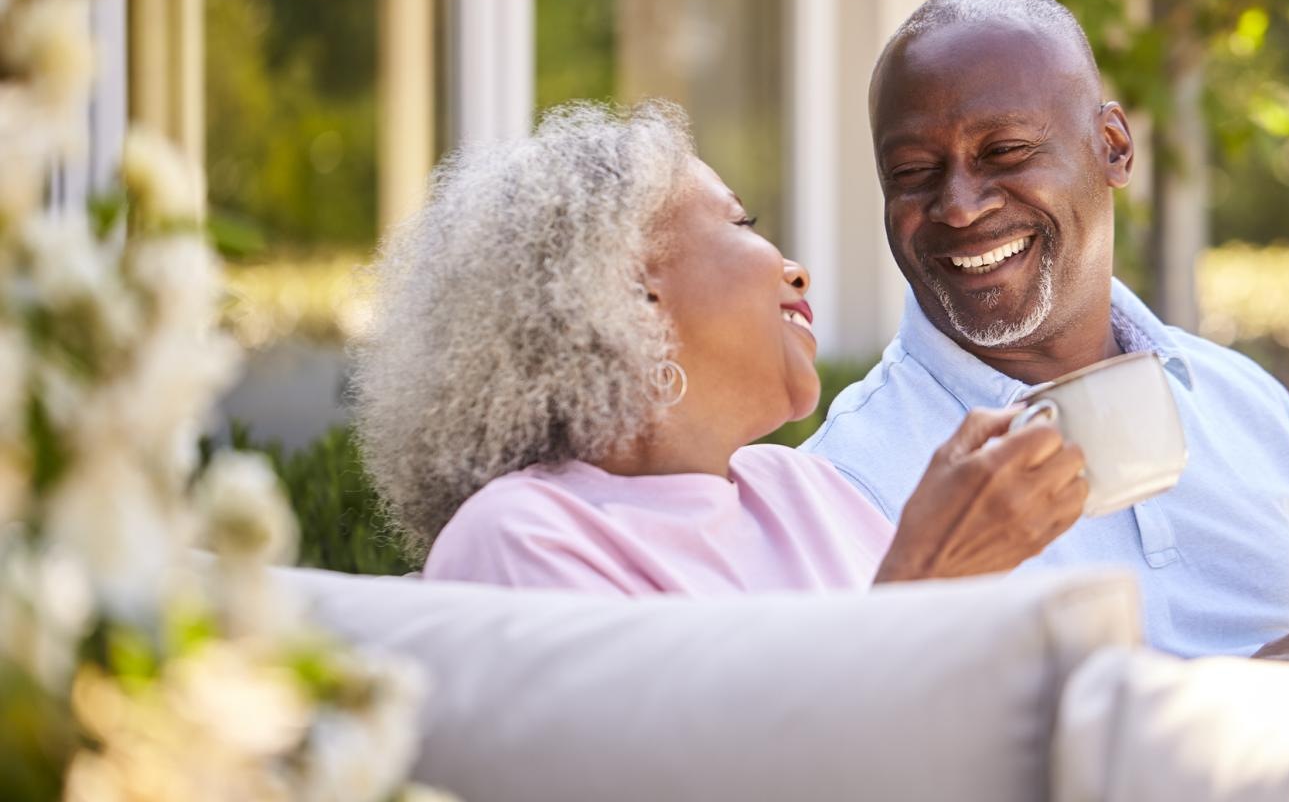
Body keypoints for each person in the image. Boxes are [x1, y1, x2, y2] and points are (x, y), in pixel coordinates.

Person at [801, 0, 1289, 681]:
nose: (958, 206)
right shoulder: (852, 477)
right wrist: (1252, 706)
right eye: (915, 171)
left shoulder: (1244, 403)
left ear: (1112, 146)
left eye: (1006, 151)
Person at [353, 101, 1091, 596]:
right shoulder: (521, 537)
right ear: (628, 296)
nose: (795, 269)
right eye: (741, 223)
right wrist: (927, 581)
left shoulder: (810, 492)